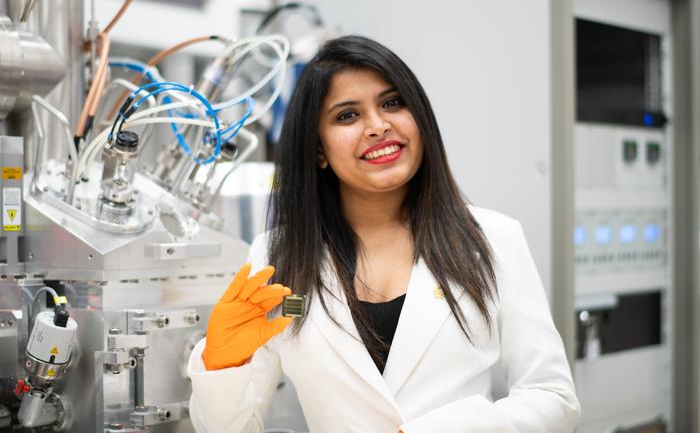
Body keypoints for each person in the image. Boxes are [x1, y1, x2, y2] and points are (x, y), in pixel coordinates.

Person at [187, 35, 581, 433]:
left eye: (392, 103)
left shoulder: (494, 239)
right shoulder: (278, 253)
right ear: (318, 149)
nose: (378, 126)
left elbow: (553, 398)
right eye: (347, 116)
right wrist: (222, 366)